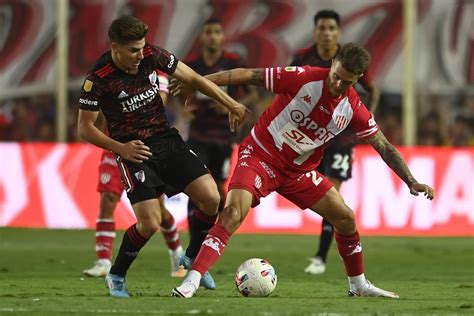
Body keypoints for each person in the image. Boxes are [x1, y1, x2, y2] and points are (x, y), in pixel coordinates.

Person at [171, 43, 435, 299]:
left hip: (298, 171)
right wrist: (198, 81)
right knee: (232, 213)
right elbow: (248, 75)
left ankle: (358, 285)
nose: (337, 85)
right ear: (332, 64)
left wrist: (411, 181)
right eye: (336, 76)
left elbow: (384, 146)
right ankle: (192, 280)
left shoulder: (354, 109)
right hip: (261, 154)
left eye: (346, 82)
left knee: (345, 218)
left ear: (358, 79)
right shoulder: (304, 77)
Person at [77, 16, 248, 298]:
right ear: (115, 47)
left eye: (142, 47)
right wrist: (121, 149)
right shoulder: (98, 79)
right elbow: (84, 128)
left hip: (166, 140)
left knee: (212, 198)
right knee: (150, 223)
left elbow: (192, 77)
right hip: (133, 150)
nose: (139, 55)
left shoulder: (152, 55)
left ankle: (192, 258)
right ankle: (116, 275)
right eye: (133, 50)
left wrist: (230, 102)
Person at [291, 9, 381, 275]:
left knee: (334, 195)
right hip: (311, 138)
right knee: (318, 194)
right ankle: (322, 255)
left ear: (338, 32)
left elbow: (372, 90)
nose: (327, 33)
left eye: (332, 28)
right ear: (315, 31)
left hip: (341, 138)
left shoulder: (349, 58)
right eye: (322, 28)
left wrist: (365, 120)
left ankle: (320, 257)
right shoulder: (303, 57)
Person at [82, 71, 186, 278]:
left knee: (159, 212)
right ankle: (103, 261)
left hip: (144, 149)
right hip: (115, 146)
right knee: (108, 198)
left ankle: (177, 254)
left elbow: (160, 104)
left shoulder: (156, 71)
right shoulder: (106, 73)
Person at [183, 17, 259, 223]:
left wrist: (231, 103)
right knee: (196, 185)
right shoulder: (191, 65)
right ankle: (194, 240)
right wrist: (183, 108)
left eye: (217, 32)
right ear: (201, 37)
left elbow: (253, 95)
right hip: (198, 134)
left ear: (223, 37)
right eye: (208, 32)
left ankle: (214, 230)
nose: (212, 37)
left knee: (218, 188)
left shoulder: (234, 63)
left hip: (224, 135)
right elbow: (176, 92)